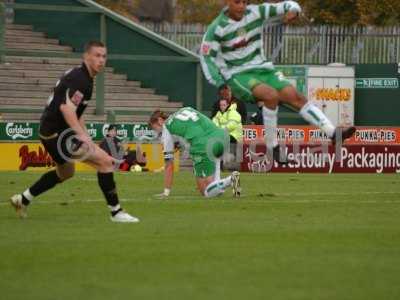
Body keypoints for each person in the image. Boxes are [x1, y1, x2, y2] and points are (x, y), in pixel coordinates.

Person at [200, 0, 356, 164]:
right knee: (270, 95)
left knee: (295, 96)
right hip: (238, 74)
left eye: (245, 2)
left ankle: (333, 134)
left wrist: (294, 11)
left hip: (263, 68)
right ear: (227, 2)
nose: (241, 6)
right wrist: (218, 81)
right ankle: (273, 147)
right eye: (237, 2)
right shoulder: (217, 28)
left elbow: (288, 4)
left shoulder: (256, 12)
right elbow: (206, 56)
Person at [10, 41, 139, 223]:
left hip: (51, 132)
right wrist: (84, 138)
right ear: (86, 56)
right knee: (105, 162)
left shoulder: (83, 77)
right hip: (57, 135)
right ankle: (116, 212)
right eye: (97, 55)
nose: (101, 60)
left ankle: (22, 199)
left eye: (104, 56)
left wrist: (87, 137)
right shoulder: (81, 79)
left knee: (66, 173)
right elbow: (66, 109)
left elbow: (76, 112)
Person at [149, 107, 241, 198]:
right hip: (222, 136)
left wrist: (166, 191)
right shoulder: (184, 109)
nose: (157, 133)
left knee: (205, 191)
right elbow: (193, 127)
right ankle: (223, 184)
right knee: (214, 188)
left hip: (204, 145)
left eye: (155, 128)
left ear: (160, 121)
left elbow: (169, 165)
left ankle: (230, 180)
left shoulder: (166, 128)